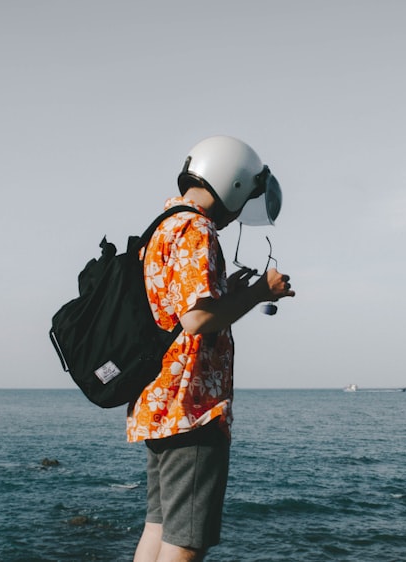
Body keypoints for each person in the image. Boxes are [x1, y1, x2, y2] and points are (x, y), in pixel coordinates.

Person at [128, 136, 295, 561]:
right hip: (193, 407)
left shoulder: (164, 225)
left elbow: (180, 309)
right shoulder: (197, 228)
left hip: (159, 400)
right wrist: (260, 291)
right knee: (186, 540)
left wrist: (229, 297)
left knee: (159, 526)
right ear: (234, 184)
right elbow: (197, 320)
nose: (237, 214)